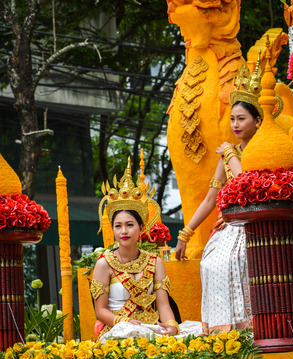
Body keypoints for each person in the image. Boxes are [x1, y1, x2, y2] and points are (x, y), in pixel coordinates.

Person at [175, 60, 276, 334]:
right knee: (211, 262)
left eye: (241, 118)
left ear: (257, 120)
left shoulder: (264, 149)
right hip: (227, 227)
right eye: (232, 119)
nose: (235, 124)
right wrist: (186, 234)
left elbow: (246, 183)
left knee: (239, 261)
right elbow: (211, 199)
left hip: (256, 226)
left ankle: (251, 330)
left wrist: (231, 154)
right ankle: (223, 333)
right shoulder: (226, 152)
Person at [90, 159, 180, 339]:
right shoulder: (104, 264)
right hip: (118, 330)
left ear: (141, 227)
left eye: (129, 225)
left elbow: (163, 305)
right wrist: (125, 322)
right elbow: (100, 311)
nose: (123, 231)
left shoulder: (155, 262)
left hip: (150, 329)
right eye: (118, 226)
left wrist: (171, 326)